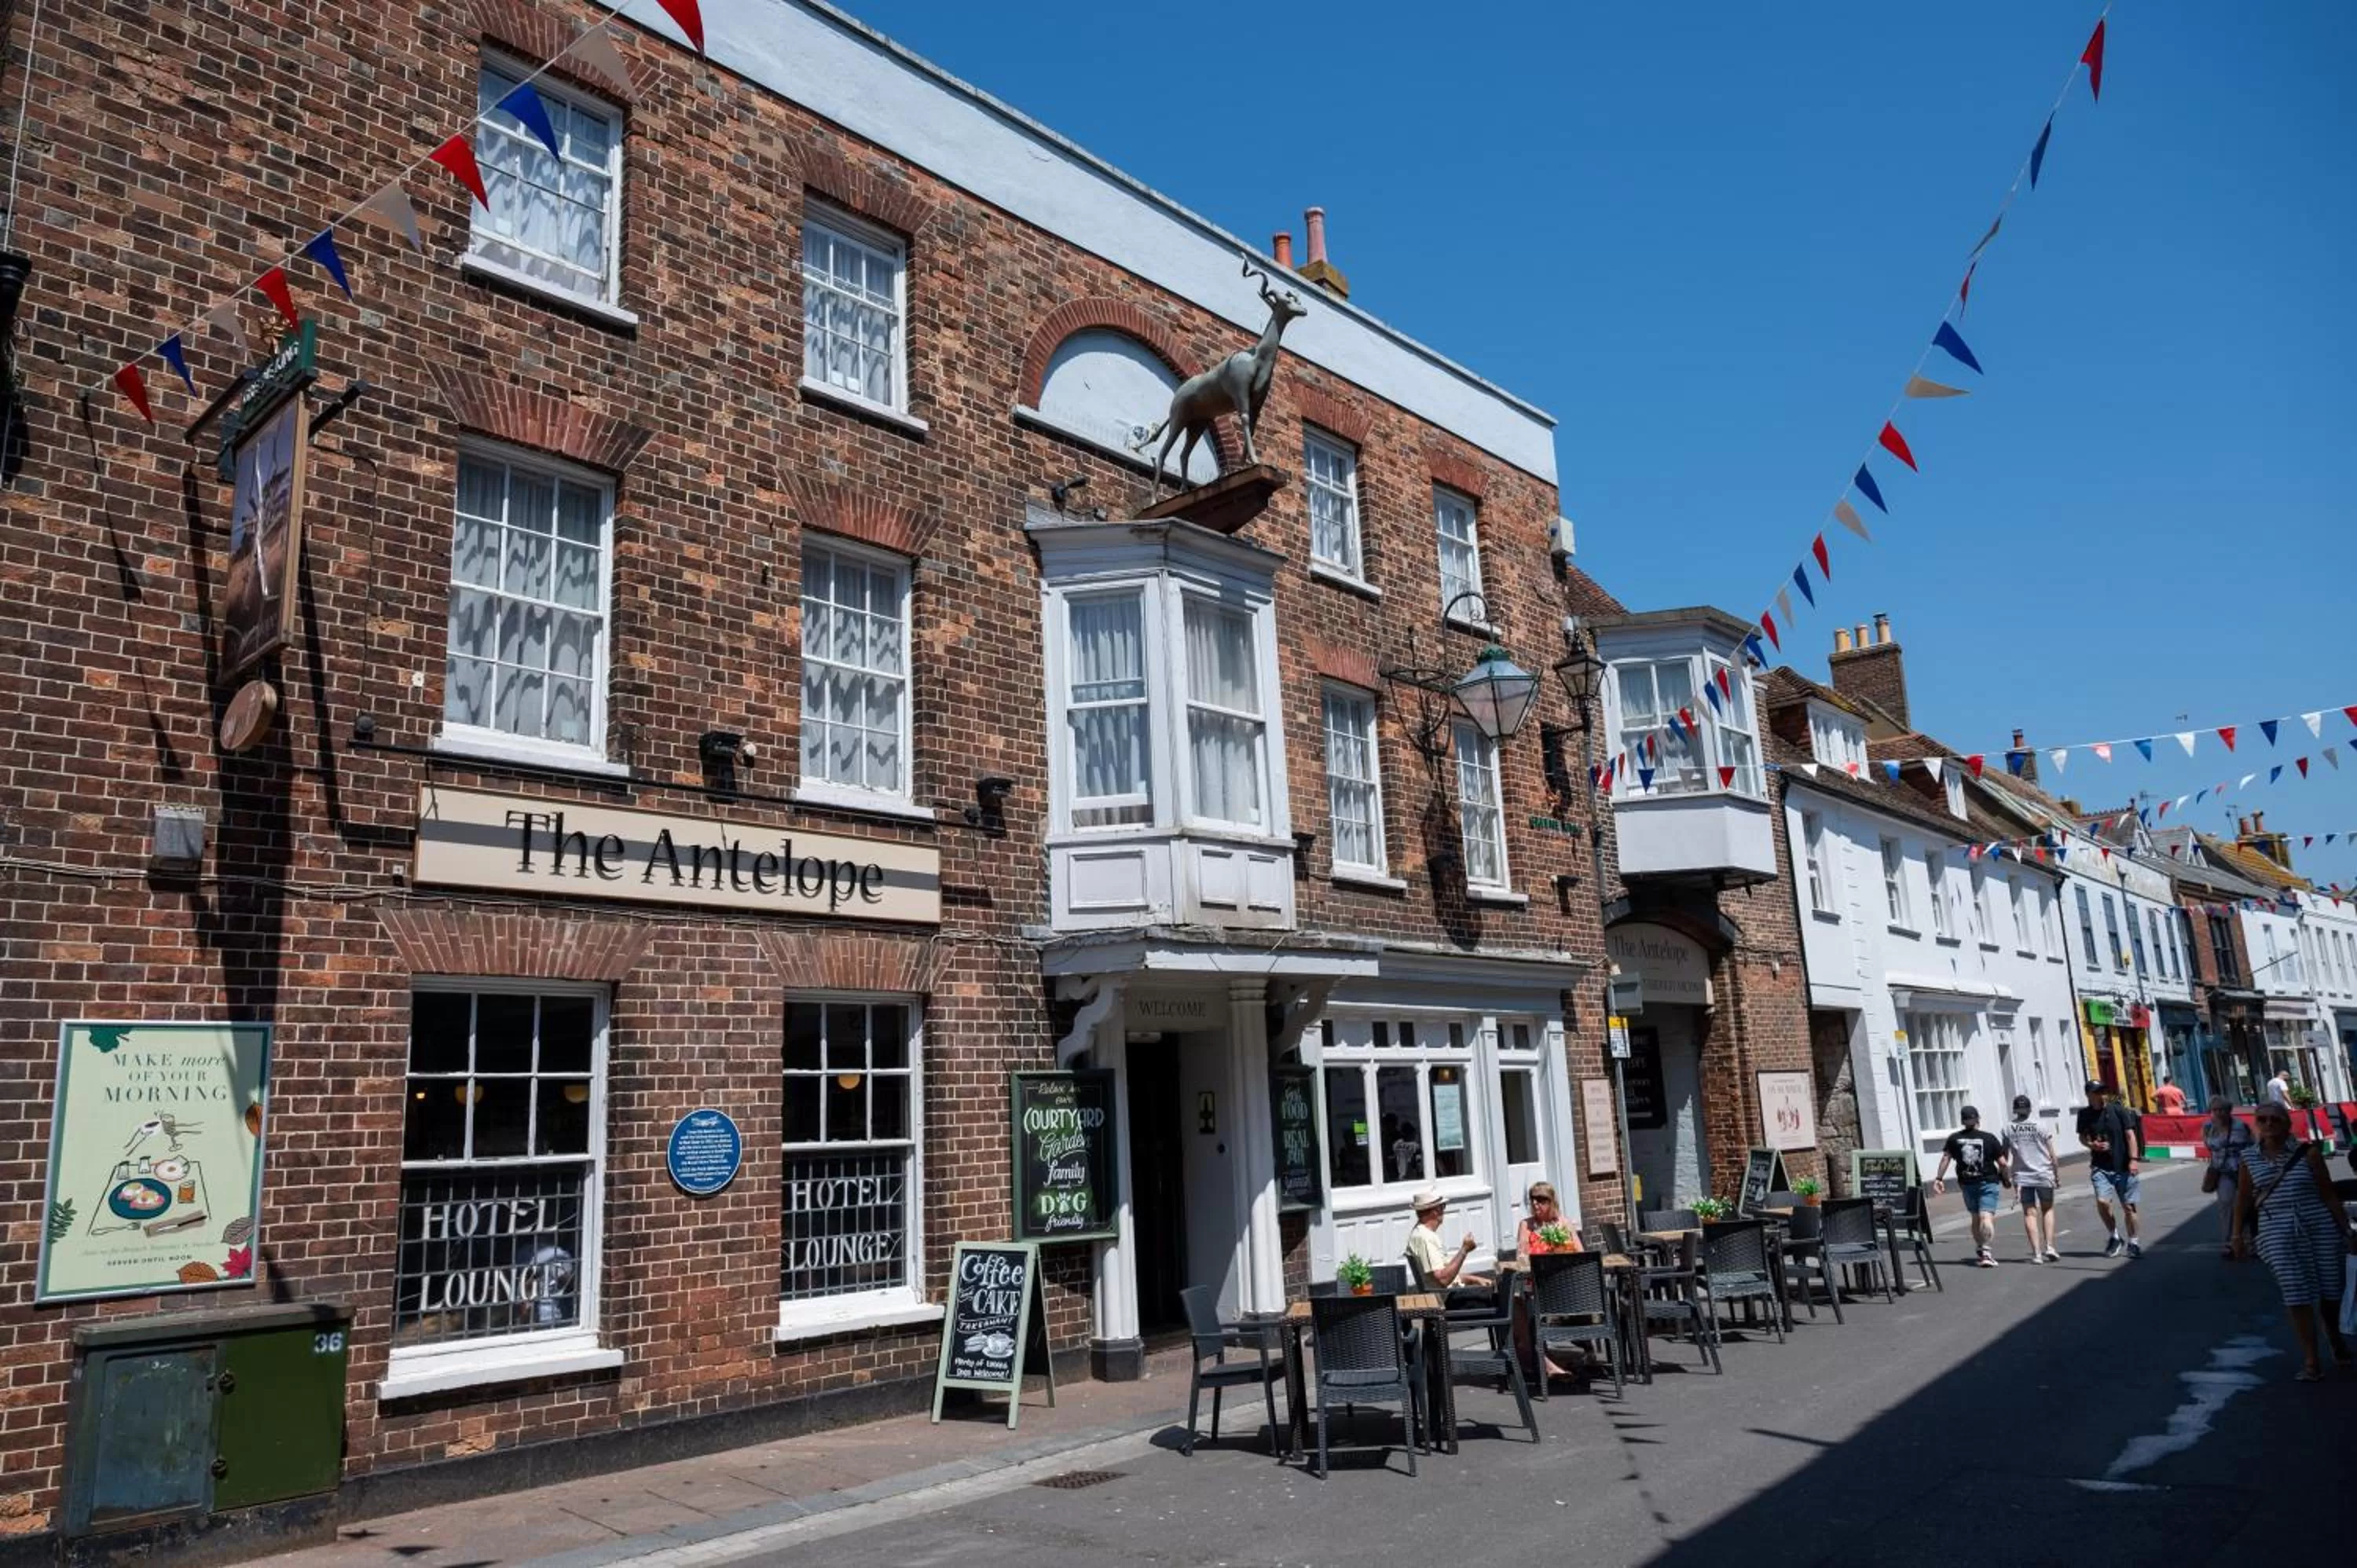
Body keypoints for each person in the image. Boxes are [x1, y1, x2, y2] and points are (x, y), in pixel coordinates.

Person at [2231, 1101, 2354, 1382]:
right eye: (2262, 1119)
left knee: (2331, 1289)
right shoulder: (2249, 1158)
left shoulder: (2308, 1153)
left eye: (2275, 1119)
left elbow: (2328, 1194)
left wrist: (2346, 1231)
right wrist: (2237, 1236)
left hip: (2318, 1225)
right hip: (2277, 1230)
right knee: (2296, 1293)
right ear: (2256, 1125)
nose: (2269, 1124)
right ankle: (2311, 1358)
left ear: (2287, 1124)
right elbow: (2244, 1199)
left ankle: (2333, 1335)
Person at [1932, 1105, 2009, 1267]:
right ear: (1978, 1119)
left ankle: (1981, 1248)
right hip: (1988, 1181)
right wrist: (2006, 1178)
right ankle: (1986, 1252)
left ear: (1963, 1121)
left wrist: (1939, 1178)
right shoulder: (1989, 1138)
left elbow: (1946, 1158)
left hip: (1967, 1184)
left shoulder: (1954, 1139)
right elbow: (2002, 1163)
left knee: (1975, 1216)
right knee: (1986, 1216)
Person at [2077, 1079, 2144, 1259]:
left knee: (2129, 1207)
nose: (2102, 1095)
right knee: (2103, 1202)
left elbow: (2130, 1135)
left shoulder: (2118, 1110)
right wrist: (2092, 1145)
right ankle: (2114, 1236)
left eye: (2103, 1091)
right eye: (2097, 1092)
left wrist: (2134, 1160)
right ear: (2089, 1095)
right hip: (2101, 1166)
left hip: (2123, 1165)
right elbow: (2082, 1137)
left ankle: (2134, 1242)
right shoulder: (2084, 1115)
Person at [2000, 1094, 2061, 1263]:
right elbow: (2052, 1154)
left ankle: (2037, 1254)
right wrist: (2056, 1175)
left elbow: (2003, 1156)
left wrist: (2005, 1175)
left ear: (2015, 1109)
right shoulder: (2041, 1126)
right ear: (2029, 1108)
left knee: (2029, 1213)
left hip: (2022, 1176)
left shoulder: (2008, 1128)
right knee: (2047, 1209)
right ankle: (2050, 1246)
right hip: (2043, 1173)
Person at [2201, 1094, 2256, 1260]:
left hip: (2242, 1170)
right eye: (2215, 1110)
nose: (2218, 1113)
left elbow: (2253, 1146)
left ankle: (2250, 1242)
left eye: (2221, 1110)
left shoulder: (2241, 1126)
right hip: (2222, 1171)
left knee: (2246, 1206)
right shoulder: (2208, 1127)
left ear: (2229, 1111)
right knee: (2226, 1206)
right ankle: (2230, 1243)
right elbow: (2209, 1146)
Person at [1403, 1188, 1489, 1289]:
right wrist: (1464, 1250)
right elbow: (1443, 1280)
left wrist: (1474, 1279)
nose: (1444, 1211)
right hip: (1447, 1298)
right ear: (1435, 1211)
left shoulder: (1423, 1234)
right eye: (1442, 1207)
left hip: (1449, 1294)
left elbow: (1447, 1275)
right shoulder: (1424, 1238)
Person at [1515, 1181, 1585, 1258]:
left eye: (1539, 1199)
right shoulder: (1525, 1225)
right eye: (1532, 1198)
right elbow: (1522, 1258)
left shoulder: (1565, 1223)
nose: (1534, 1202)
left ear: (1551, 1201)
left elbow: (1581, 1254)